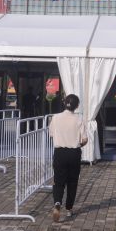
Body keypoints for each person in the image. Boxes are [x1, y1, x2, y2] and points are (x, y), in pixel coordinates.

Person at [48, 94, 87, 222]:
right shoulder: (79, 119)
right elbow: (84, 139)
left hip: (59, 152)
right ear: (77, 106)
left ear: (64, 103)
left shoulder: (56, 117)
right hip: (74, 153)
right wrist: (80, 143)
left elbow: (51, 134)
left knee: (58, 181)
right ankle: (69, 208)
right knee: (72, 182)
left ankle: (57, 202)